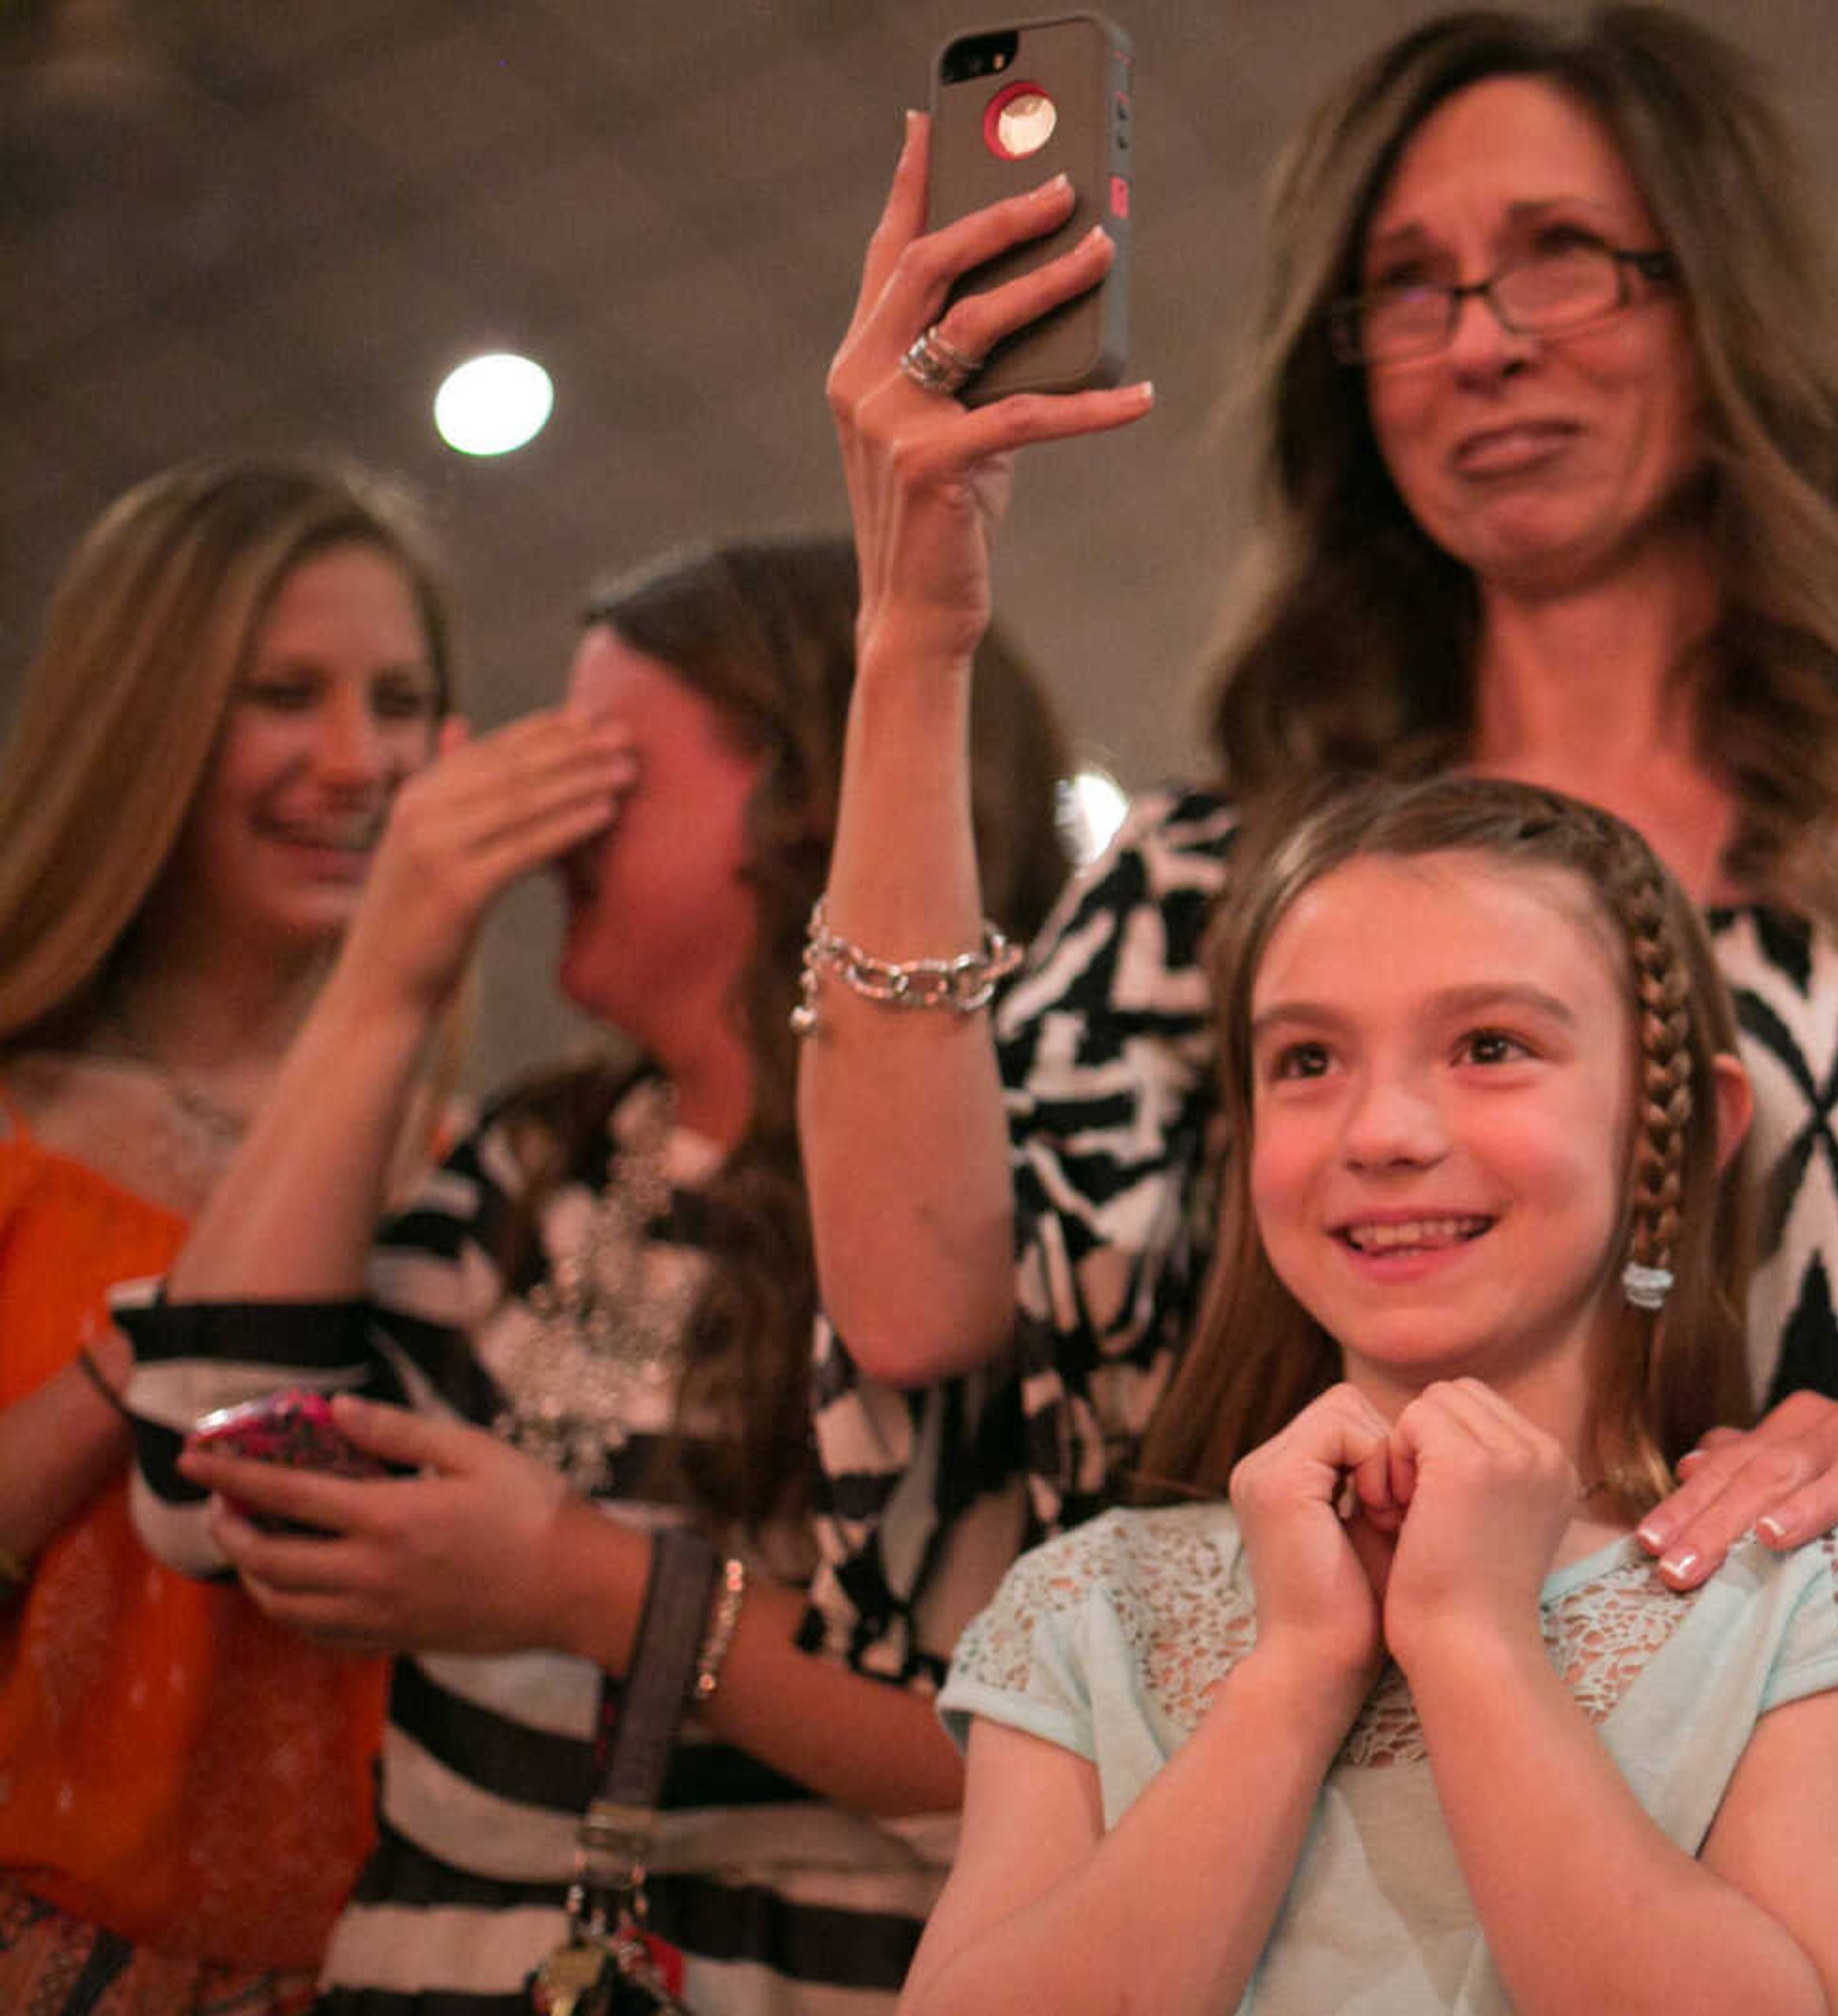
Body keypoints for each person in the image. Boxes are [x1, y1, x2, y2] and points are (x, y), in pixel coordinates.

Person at [807, 13, 1838, 2007]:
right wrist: (914, 636)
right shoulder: (1203, 887)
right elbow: (913, 1311)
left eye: (1564, 254)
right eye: (1406, 288)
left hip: (1822, 1890)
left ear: (1722, 301)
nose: (1482, 340)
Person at [117, 537, 1074, 2014]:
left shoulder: (974, 1215)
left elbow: (1019, 1759)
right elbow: (201, 1485)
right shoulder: (547, 1155)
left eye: (598, 765)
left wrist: (589, 1589)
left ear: (803, 796)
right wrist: (388, 978)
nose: (533, 820)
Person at [912, 773, 1838, 2016]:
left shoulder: (1831, 1589)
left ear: (1684, 1131)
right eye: (1307, 1059)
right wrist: (1294, 1672)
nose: (1382, 1129)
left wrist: (1474, 1645)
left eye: (1491, 1046)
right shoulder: (1091, 1605)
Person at [0, 456, 452, 2013]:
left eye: (400, 702)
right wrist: (147, 1347)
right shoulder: (18, 1114)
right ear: (145, 717)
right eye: (283, 694)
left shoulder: (465, 1167)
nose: (357, 760)